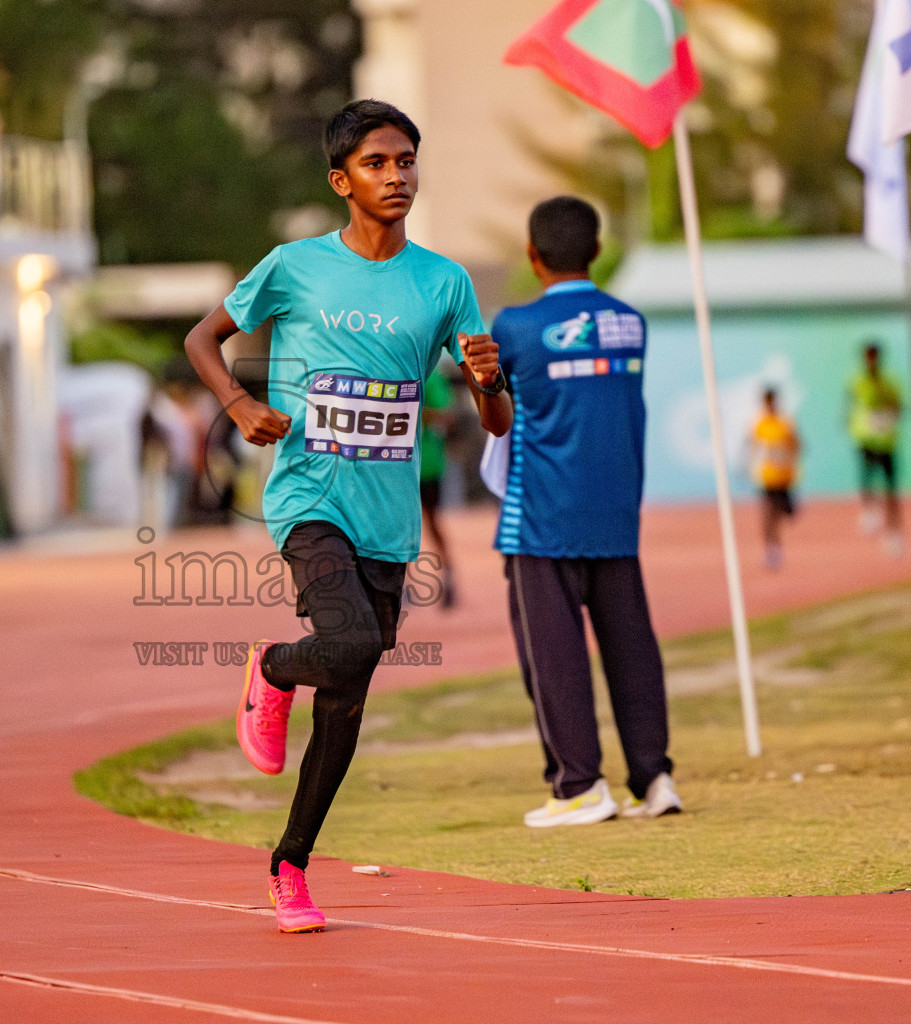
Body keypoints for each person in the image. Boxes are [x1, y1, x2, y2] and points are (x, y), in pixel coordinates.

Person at [183, 99, 510, 933]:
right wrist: (237, 402)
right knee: (350, 642)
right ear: (342, 180)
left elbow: (497, 421)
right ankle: (271, 667)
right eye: (377, 163)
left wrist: (488, 378)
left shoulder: (444, 282)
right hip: (307, 497)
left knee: (351, 694)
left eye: (406, 161)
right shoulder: (294, 267)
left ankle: (290, 866)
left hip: (388, 517)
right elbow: (200, 338)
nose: (397, 175)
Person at [491, 196, 678, 829]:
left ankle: (578, 785)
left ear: (531, 254)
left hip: (542, 518)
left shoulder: (514, 327)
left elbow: (492, 401)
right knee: (632, 648)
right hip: (617, 514)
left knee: (553, 655)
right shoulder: (632, 321)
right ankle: (654, 778)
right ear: (597, 251)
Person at [848, 341, 904, 555]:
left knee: (891, 491)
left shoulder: (889, 382)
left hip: (886, 442)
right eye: (868, 356)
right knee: (866, 480)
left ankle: (894, 533)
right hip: (866, 440)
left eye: (874, 356)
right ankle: (869, 511)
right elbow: (852, 406)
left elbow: (898, 407)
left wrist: (887, 415)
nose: (871, 360)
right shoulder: (857, 381)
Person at [418, 366, 457, 608]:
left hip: (428, 465)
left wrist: (411, 408)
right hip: (394, 468)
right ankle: (399, 584)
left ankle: (448, 575)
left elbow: (446, 417)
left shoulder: (432, 376)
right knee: (396, 526)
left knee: (432, 522)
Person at [750, 387, 801, 570]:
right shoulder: (759, 423)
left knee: (782, 514)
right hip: (767, 477)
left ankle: (791, 508)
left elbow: (797, 445)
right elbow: (753, 446)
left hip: (784, 477)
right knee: (767, 515)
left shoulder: (785, 422)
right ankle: (773, 550)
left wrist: (785, 456)